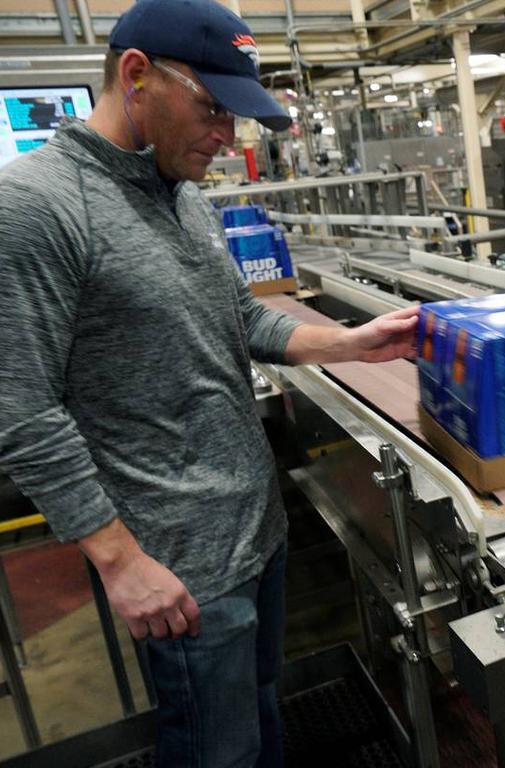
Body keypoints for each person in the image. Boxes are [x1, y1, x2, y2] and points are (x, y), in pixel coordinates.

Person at [0, 0, 419, 765]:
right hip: (179, 571)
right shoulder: (36, 207)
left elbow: (244, 322)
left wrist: (354, 343)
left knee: (257, 729)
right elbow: (21, 410)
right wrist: (122, 564)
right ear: (136, 76)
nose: (228, 139)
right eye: (213, 110)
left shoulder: (185, 199)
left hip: (256, 535)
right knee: (213, 754)